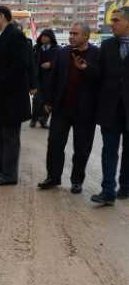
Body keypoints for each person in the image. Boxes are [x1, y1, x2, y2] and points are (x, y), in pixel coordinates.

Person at [38, 22, 100, 194]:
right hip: (61, 108)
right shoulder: (62, 52)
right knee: (55, 144)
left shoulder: (96, 54)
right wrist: (48, 101)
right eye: (71, 33)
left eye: (75, 34)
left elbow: (100, 78)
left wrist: (85, 68)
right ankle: (53, 177)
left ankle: (77, 181)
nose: (71, 36)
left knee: (82, 148)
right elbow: (53, 77)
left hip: (85, 111)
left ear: (86, 36)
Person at [0, 5, 31, 186]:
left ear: (2, 16)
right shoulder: (0, 35)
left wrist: (0, 81)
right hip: (0, 98)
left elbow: (19, 66)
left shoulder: (15, 35)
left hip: (11, 98)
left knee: (10, 137)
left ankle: (9, 174)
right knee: (0, 135)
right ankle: (1, 169)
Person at [91, 6, 129, 206]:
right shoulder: (106, 46)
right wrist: (87, 69)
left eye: (116, 20)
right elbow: (98, 75)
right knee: (109, 151)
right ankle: (108, 192)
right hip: (110, 109)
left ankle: (125, 187)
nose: (111, 24)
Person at [31, 29, 59, 128]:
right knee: (37, 99)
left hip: (50, 78)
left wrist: (51, 64)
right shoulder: (36, 48)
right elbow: (31, 62)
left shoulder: (57, 49)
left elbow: (60, 62)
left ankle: (43, 120)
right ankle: (34, 119)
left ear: (51, 38)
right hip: (38, 78)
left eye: (46, 37)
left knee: (48, 100)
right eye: (42, 36)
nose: (43, 38)